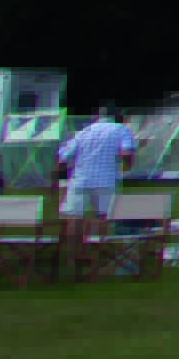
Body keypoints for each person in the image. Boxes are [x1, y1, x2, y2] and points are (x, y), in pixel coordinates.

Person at [54, 103, 139, 269]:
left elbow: (63, 157)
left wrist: (54, 179)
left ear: (97, 116)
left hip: (80, 180)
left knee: (74, 218)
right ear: (117, 116)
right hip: (105, 180)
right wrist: (128, 165)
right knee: (103, 216)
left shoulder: (83, 132)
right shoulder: (121, 130)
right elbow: (126, 153)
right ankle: (98, 255)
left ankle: (72, 257)